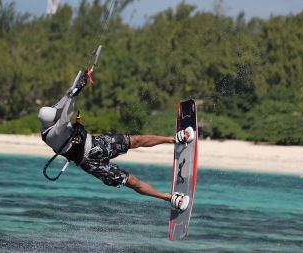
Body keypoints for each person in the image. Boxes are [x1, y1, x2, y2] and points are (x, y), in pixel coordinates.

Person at [38, 73, 195, 211]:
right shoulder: (52, 134)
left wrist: (80, 82)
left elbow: (63, 101)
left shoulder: (49, 117)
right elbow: (66, 116)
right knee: (132, 181)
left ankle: (174, 139)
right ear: (51, 123)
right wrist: (75, 95)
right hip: (91, 163)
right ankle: (170, 198)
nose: (57, 115)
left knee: (136, 140)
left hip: (97, 143)